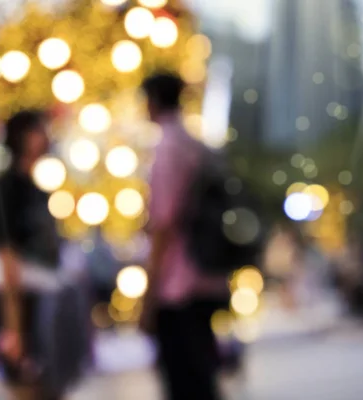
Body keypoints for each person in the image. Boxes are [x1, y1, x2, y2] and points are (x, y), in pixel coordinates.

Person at [0, 110, 86, 400]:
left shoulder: (37, 189)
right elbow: (6, 254)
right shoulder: (3, 188)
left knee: (50, 380)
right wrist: (13, 327)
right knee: (26, 382)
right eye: (38, 131)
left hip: (47, 299)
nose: (45, 137)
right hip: (21, 302)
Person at [140, 73, 228, 400]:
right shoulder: (197, 145)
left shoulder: (167, 147)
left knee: (184, 379)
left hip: (178, 283)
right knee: (203, 375)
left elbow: (164, 224)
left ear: (152, 101)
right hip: (208, 273)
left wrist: (149, 294)